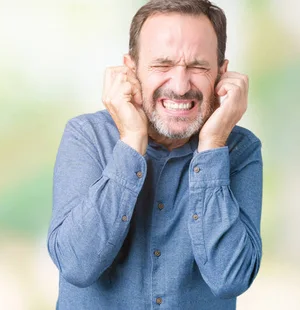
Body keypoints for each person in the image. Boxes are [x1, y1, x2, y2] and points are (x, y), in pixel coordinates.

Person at [46, 0, 262, 308]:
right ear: (131, 70)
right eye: (162, 64)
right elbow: (76, 265)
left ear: (222, 73)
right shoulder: (87, 136)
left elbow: (231, 278)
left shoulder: (240, 149)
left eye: (198, 66)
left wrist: (214, 143)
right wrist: (132, 141)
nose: (180, 84)